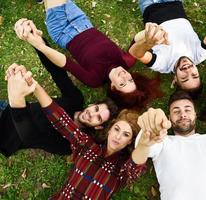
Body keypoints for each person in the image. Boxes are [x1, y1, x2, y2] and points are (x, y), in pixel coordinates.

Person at [5, 65, 150, 199]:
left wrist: (146, 142)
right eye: (117, 129)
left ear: (130, 141)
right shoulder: (87, 145)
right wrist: (32, 84)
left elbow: (135, 165)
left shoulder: (122, 171)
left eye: (126, 134)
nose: (118, 136)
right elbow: (60, 119)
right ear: (109, 129)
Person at [14, 0, 163, 110]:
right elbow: (136, 41)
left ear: (113, 87)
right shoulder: (127, 62)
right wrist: (149, 32)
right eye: (130, 79)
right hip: (82, 21)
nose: (125, 76)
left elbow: (65, 63)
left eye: (122, 83)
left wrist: (40, 46)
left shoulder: (94, 80)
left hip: (62, 32)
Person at [1, 53, 118, 157]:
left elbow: (31, 137)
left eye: (98, 118)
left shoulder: (71, 143)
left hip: (6, 135)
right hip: (6, 108)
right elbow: (57, 72)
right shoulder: (75, 99)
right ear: (92, 104)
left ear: (98, 126)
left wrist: (16, 99)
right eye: (96, 109)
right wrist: (37, 41)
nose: (91, 114)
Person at [129, 0, 206, 96]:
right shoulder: (200, 54)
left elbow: (137, 53)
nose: (188, 70)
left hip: (150, 5)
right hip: (175, 3)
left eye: (184, 78)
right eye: (194, 75)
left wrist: (148, 43)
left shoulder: (162, 64)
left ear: (175, 80)